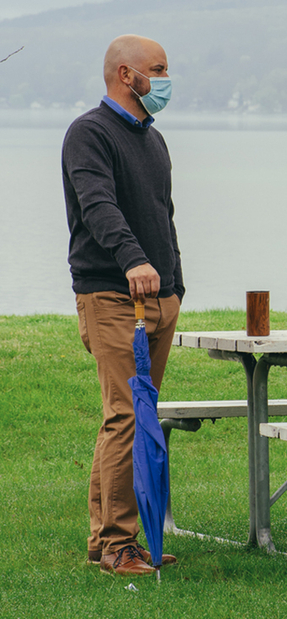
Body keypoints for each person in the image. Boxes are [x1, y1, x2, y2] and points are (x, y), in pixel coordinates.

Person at [62, 34, 184, 576]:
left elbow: (164, 212)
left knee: (139, 414)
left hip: (161, 298)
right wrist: (134, 260)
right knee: (126, 415)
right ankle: (117, 544)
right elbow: (98, 206)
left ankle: (108, 540)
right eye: (157, 70)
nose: (164, 80)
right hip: (112, 294)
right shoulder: (89, 133)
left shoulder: (152, 138)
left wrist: (176, 283)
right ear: (126, 75)